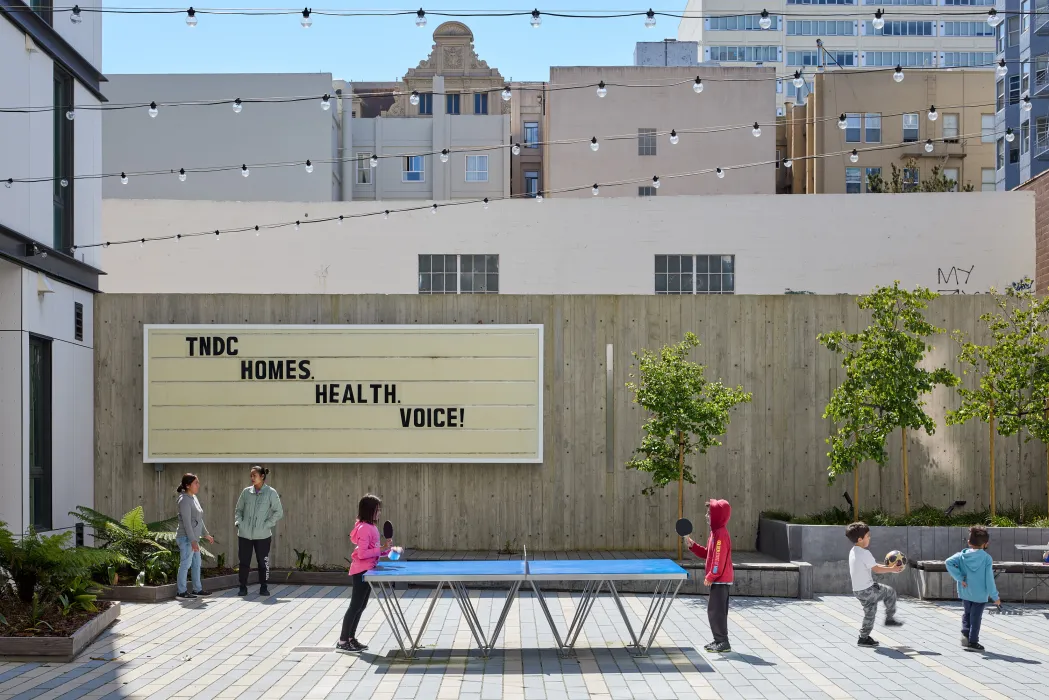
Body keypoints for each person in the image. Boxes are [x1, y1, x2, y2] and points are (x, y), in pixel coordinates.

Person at [337, 494, 399, 652]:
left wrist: (388, 550)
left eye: (380, 510)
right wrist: (383, 548)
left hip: (369, 571)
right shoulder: (365, 529)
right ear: (369, 511)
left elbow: (374, 552)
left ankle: (351, 638)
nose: (379, 512)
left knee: (361, 606)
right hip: (361, 572)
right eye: (377, 510)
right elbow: (363, 554)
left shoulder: (371, 527)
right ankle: (343, 641)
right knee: (355, 606)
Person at [685, 499, 734, 653]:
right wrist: (693, 546)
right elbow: (709, 554)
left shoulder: (720, 534)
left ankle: (723, 642)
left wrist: (712, 575)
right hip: (719, 580)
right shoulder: (715, 533)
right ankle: (718, 640)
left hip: (720, 580)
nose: (706, 516)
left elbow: (718, 558)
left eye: (709, 513)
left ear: (718, 516)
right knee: (714, 610)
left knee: (716, 611)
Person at [846, 522, 904, 647]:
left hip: (858, 591)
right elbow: (876, 569)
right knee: (889, 592)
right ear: (860, 539)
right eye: (868, 536)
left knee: (870, 612)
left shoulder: (854, 551)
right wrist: (892, 569)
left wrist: (890, 567)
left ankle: (863, 638)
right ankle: (890, 618)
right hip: (868, 590)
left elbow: (874, 566)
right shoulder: (865, 553)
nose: (869, 538)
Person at [945, 525, 1001, 651]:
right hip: (980, 594)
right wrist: (995, 596)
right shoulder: (986, 558)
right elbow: (989, 579)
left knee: (967, 613)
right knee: (976, 617)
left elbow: (948, 562)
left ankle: (965, 633)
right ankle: (973, 642)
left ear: (969, 542)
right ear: (986, 544)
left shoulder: (961, 555)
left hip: (965, 591)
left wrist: (960, 578)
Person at [234, 466, 284, 597]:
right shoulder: (246, 492)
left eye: (254, 475)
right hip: (244, 534)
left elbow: (279, 512)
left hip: (262, 535)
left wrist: (268, 524)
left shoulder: (271, 493)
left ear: (262, 476)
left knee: (263, 562)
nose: (252, 478)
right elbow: (238, 509)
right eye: (251, 476)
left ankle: (264, 586)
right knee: (244, 562)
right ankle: (243, 587)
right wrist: (239, 523)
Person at [175, 473, 214, 600]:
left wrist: (206, 534)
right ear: (187, 485)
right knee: (185, 564)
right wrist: (192, 541)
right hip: (186, 538)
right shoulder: (184, 500)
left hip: (194, 538)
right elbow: (186, 523)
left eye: (198, 482)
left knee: (197, 564)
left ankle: (197, 589)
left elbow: (199, 519)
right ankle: (181, 592)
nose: (198, 485)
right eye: (196, 483)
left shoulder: (194, 498)